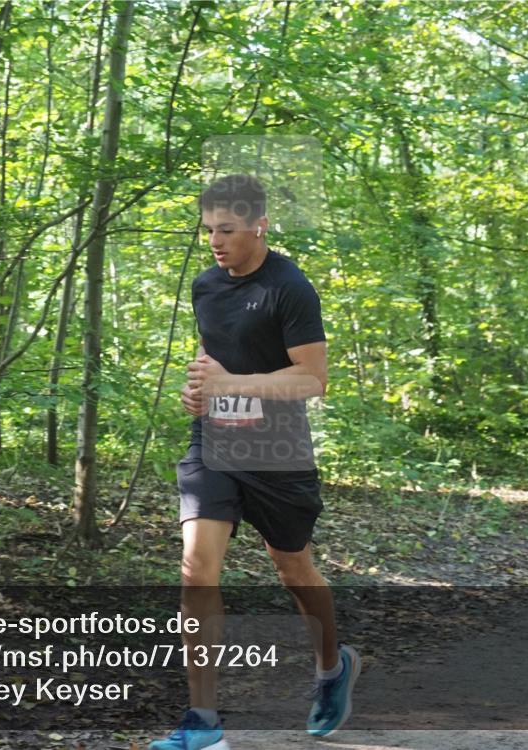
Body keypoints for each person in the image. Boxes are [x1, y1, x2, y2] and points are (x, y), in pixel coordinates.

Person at [149, 174, 360, 750]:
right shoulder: (205, 286)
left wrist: (231, 384)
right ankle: (203, 723)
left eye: (228, 229)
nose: (216, 241)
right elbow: (209, 356)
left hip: (277, 452)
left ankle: (330, 667)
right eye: (208, 229)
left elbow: (312, 381)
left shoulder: (290, 287)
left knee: (294, 571)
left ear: (259, 225)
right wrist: (198, 389)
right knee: (196, 569)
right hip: (213, 444)